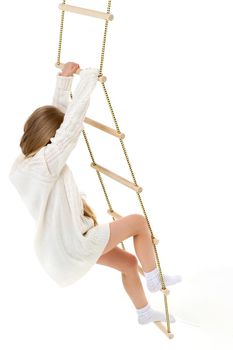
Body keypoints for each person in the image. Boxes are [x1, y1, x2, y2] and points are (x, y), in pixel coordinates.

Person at [9, 62, 181, 325]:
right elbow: (69, 129)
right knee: (138, 222)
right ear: (49, 139)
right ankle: (154, 277)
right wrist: (87, 79)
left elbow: (59, 127)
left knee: (126, 262)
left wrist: (64, 80)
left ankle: (144, 312)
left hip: (62, 249)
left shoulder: (24, 163)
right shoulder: (46, 164)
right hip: (75, 245)